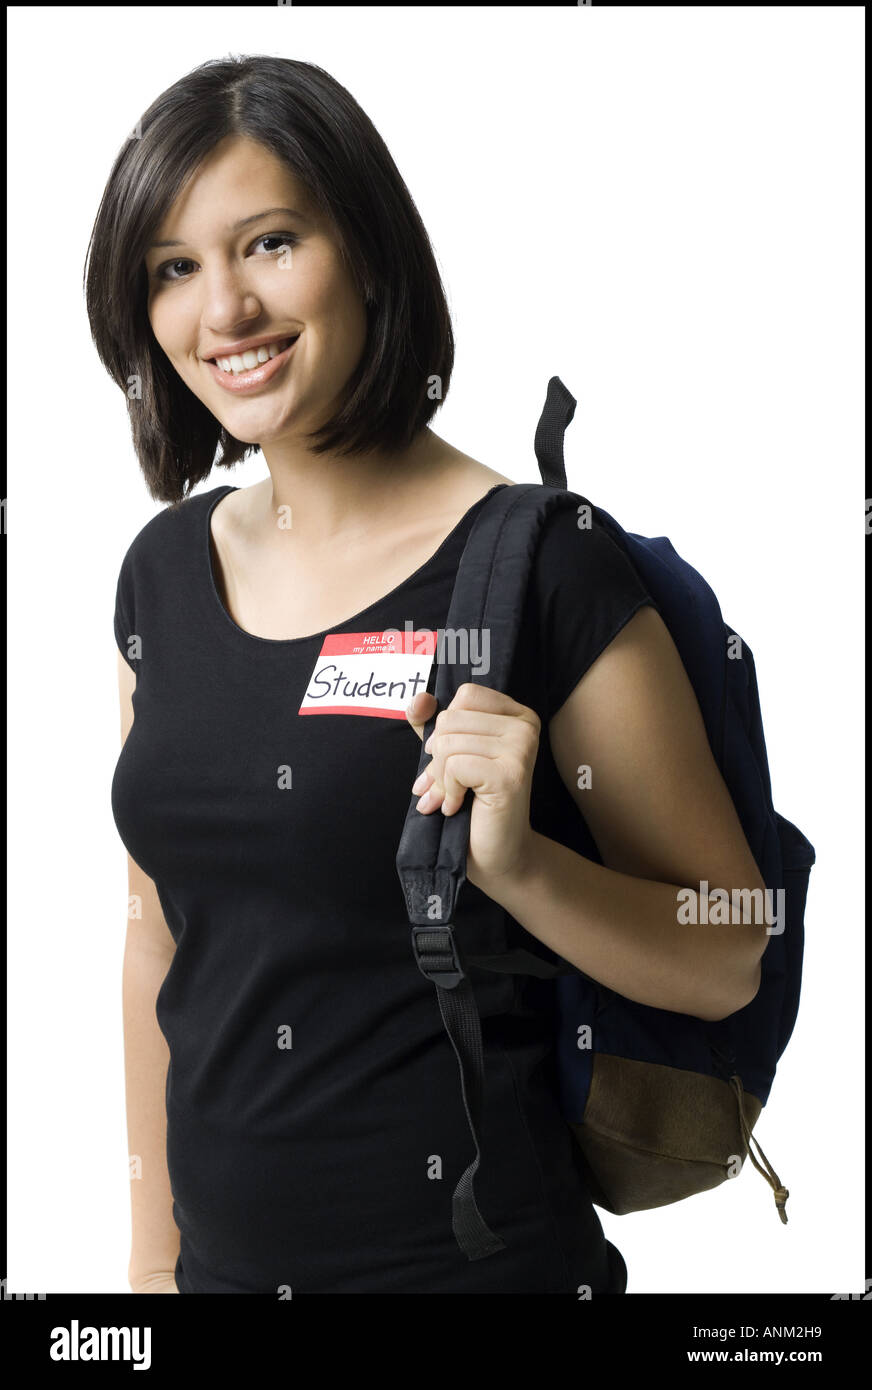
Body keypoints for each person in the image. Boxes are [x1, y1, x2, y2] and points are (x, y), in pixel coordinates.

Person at [90, 56, 768, 1296]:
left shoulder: (541, 567)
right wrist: (148, 1264)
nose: (224, 308)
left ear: (366, 247)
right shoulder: (161, 577)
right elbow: (155, 938)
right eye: (174, 268)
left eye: (270, 242)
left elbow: (732, 942)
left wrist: (524, 868)